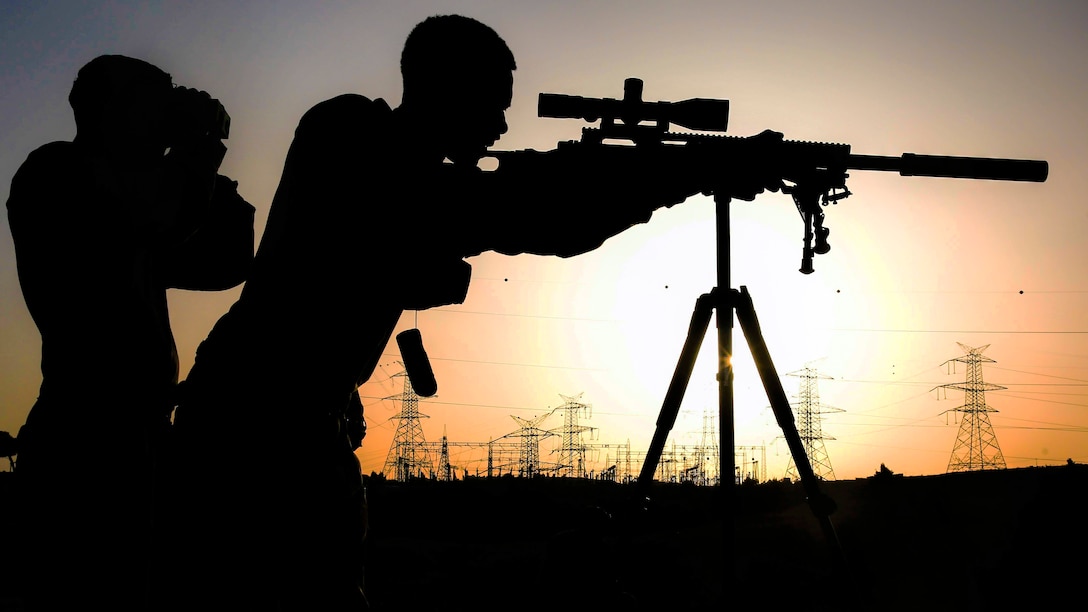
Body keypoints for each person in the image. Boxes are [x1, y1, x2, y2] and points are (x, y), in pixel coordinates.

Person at [167, 14, 779, 610]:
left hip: (304, 422)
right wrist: (672, 177)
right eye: (494, 102)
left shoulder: (400, 164)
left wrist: (660, 176)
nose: (502, 122)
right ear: (447, 89)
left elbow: (514, 209)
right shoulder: (346, 131)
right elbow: (507, 210)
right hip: (250, 425)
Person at [5, 54, 255, 610]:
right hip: (84, 437)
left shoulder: (139, 206)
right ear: (107, 107)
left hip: (138, 437)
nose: (167, 110)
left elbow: (225, 263)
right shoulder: (56, 172)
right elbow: (169, 213)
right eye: (154, 98)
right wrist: (199, 149)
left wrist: (211, 167)